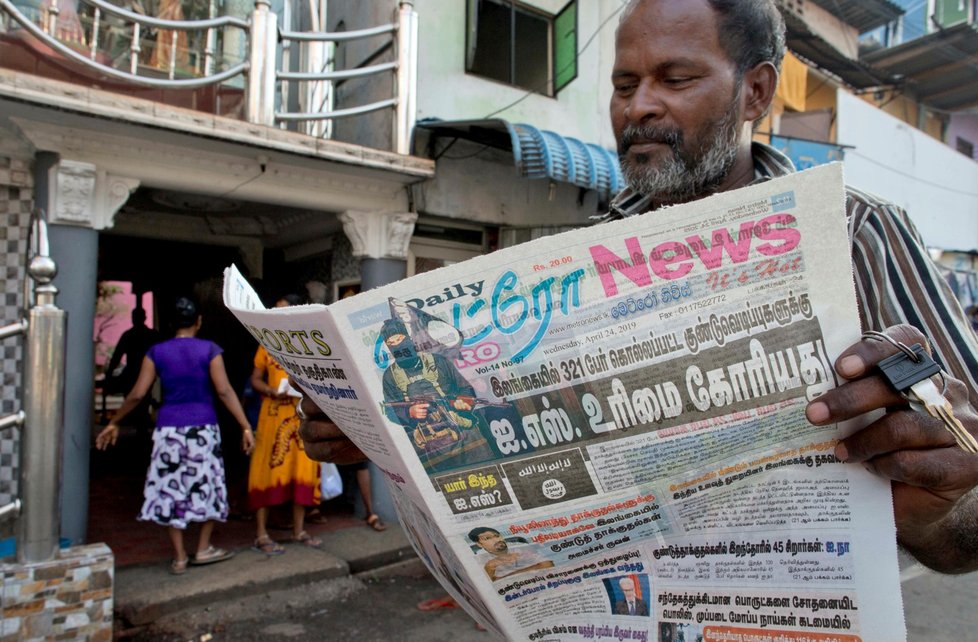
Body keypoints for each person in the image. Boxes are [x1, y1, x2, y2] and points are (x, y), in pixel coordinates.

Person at [299, 0, 978, 575]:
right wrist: (388, 437)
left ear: (757, 91)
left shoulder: (858, 231)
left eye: (675, 78)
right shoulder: (574, 260)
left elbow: (963, 514)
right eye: (624, 86)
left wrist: (935, 510)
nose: (639, 107)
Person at [96, 296, 255, 575]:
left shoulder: (156, 352)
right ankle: (203, 548)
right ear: (199, 321)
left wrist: (115, 421)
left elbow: (137, 393)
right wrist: (244, 426)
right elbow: (225, 391)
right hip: (203, 429)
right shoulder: (210, 350)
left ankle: (180, 556)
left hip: (168, 430)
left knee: (171, 488)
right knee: (209, 484)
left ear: (170, 324)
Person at [247, 294, 323, 554]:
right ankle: (261, 534)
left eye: (282, 310)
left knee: (302, 470)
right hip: (272, 417)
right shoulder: (265, 343)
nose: (276, 314)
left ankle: (299, 530)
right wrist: (270, 389)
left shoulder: (305, 343)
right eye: (275, 309)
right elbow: (255, 379)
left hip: (301, 414)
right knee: (265, 470)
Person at [380, 317, 494, 473]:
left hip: (467, 438)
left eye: (400, 339)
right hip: (432, 447)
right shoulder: (390, 377)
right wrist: (409, 413)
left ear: (409, 339)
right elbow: (391, 410)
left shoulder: (439, 362)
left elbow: (466, 389)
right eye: (391, 343)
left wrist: (463, 402)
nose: (397, 346)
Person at [104, 307, 161, 428]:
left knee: (138, 398)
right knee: (141, 398)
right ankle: (139, 424)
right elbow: (117, 356)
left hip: (136, 372)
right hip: (138, 372)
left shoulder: (130, 335)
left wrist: (109, 372)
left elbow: (116, 356)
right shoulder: (149, 335)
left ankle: (139, 424)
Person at [467, 527, 554, 581]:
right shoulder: (478, 558)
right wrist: (489, 567)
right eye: (487, 538)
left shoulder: (521, 546)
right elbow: (486, 586)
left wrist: (505, 578)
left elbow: (548, 564)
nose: (497, 540)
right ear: (479, 544)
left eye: (497, 536)